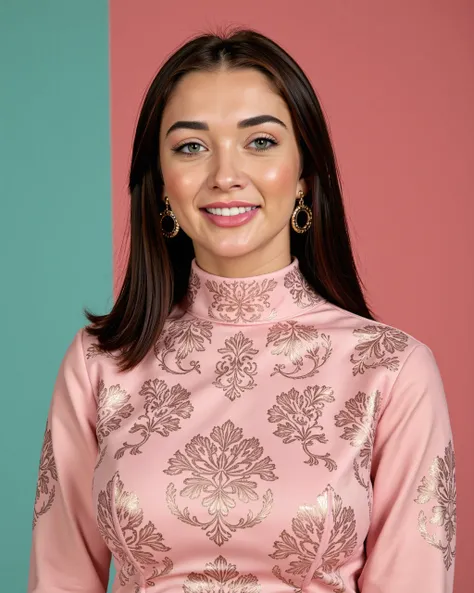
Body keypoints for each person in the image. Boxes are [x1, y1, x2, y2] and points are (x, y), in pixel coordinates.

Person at [27, 27, 456, 593]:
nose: (226, 175)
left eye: (260, 142)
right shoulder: (100, 365)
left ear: (305, 174)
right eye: (191, 146)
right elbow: (59, 579)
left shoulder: (391, 371)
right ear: (160, 186)